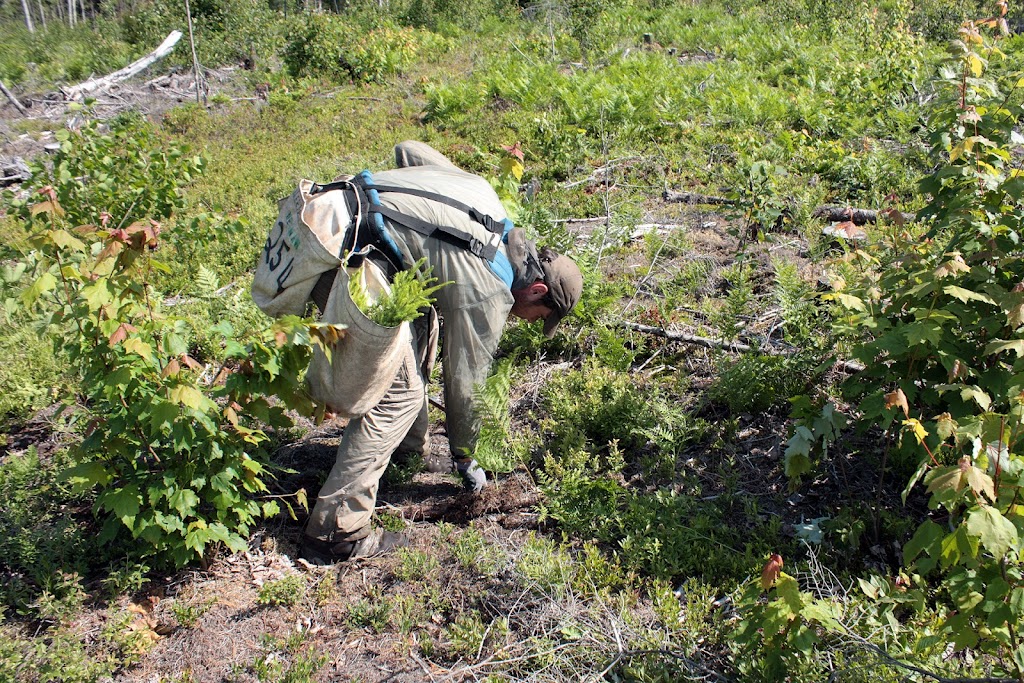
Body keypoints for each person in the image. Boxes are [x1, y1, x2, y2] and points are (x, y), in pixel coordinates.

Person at [298, 141, 583, 564]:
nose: (528, 321)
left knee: (421, 332)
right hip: (343, 254)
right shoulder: (489, 291)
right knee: (398, 398)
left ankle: (406, 452)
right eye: (538, 315)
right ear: (537, 290)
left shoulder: (485, 200)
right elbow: (465, 383)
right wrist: (466, 458)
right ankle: (336, 531)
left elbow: (409, 151)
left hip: (322, 210)